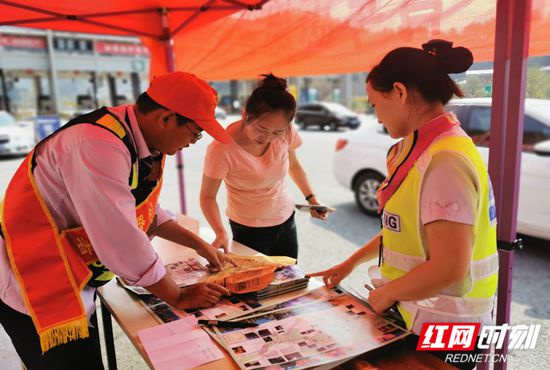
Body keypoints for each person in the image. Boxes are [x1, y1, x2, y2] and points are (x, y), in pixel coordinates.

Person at [0, 72, 236, 369]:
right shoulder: (97, 144)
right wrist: (177, 295)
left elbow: (146, 211)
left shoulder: (141, 139)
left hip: (73, 270)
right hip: (33, 276)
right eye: (195, 132)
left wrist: (200, 245)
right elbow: (120, 238)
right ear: (166, 118)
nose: (193, 142)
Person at [308, 40, 498, 370]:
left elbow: (449, 268)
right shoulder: (419, 149)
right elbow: (407, 232)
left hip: (450, 329)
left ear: (399, 91)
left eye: (374, 104)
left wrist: (387, 293)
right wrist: (350, 263)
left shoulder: (445, 160)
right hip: (421, 318)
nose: (376, 116)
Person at [200, 74, 328, 259]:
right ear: (245, 115)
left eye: (277, 132)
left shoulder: (287, 134)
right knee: (254, 285)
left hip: (285, 219)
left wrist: (312, 198)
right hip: (248, 229)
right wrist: (220, 231)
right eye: (261, 129)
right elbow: (207, 197)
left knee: (289, 280)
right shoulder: (222, 149)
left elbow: (294, 166)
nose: (268, 138)